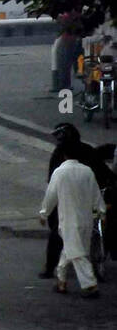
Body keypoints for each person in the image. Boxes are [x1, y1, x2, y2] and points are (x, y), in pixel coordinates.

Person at [41, 122, 113, 277]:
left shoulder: (59, 156)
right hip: (88, 205)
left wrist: (45, 212)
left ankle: (51, 270)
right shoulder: (87, 152)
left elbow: (52, 186)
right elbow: (104, 176)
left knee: (57, 233)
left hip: (67, 204)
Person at [40, 142, 104, 297]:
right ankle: (61, 281)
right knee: (73, 249)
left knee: (76, 253)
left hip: (68, 220)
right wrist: (101, 212)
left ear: (64, 155)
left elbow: (51, 196)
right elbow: (96, 194)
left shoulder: (60, 172)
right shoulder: (87, 172)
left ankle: (90, 285)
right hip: (86, 220)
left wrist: (44, 213)